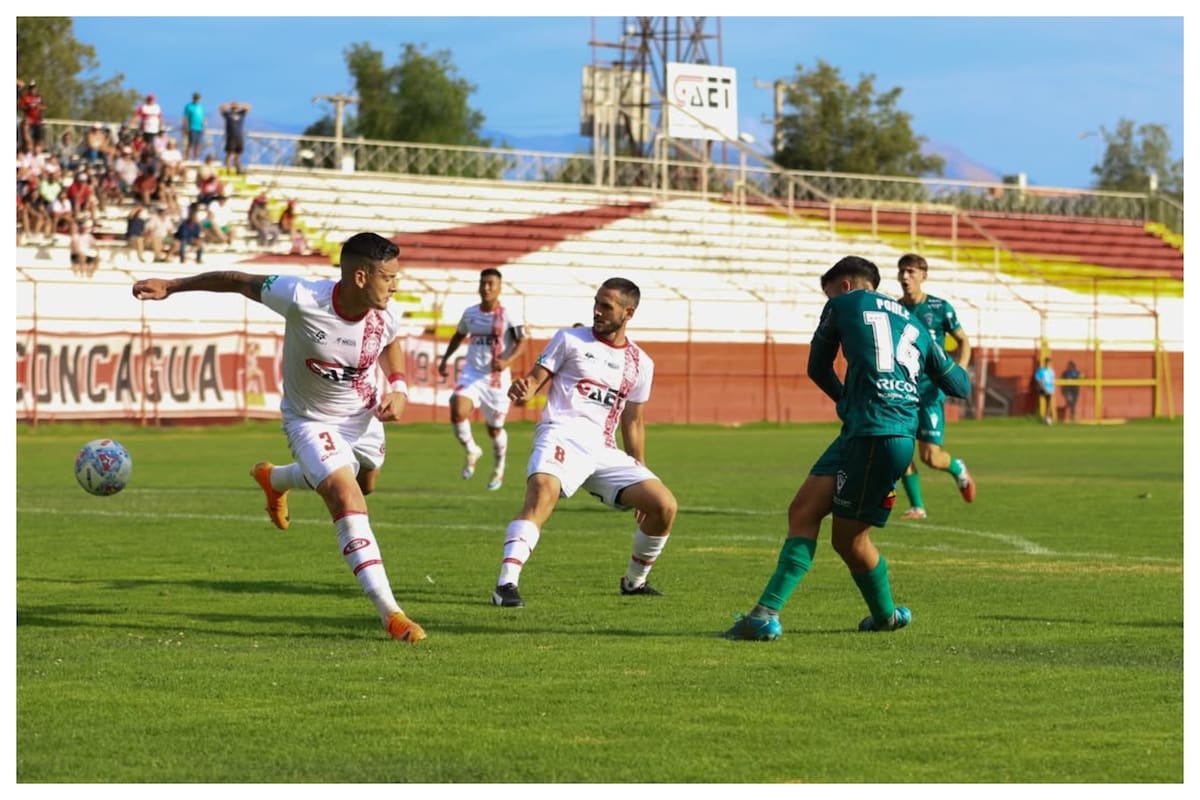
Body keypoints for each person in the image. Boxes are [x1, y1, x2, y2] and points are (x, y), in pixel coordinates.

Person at [130, 232, 426, 643]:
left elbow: (391, 343)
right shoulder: (301, 296)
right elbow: (238, 280)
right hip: (311, 420)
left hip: (364, 417)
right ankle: (391, 614)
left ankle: (276, 478)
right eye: (389, 277)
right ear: (360, 276)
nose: (395, 285)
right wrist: (173, 286)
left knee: (366, 483)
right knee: (346, 497)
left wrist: (398, 386)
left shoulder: (384, 311)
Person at [724, 256, 972, 642]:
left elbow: (818, 367)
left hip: (873, 433)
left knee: (850, 539)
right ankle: (774, 615)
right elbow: (960, 386)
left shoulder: (843, 303)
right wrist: (920, 372)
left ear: (845, 286)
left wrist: (843, 398)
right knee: (804, 512)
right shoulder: (916, 324)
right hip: (880, 433)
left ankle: (779, 615)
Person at [490, 277, 678, 608]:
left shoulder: (640, 363)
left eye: (607, 306)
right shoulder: (569, 339)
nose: (597, 311)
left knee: (664, 506)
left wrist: (639, 466)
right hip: (560, 434)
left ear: (628, 312)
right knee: (541, 494)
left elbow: (633, 420)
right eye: (596, 303)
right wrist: (524, 389)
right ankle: (506, 584)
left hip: (604, 450)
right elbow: (535, 381)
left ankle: (634, 583)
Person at [894, 253, 976, 520]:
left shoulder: (941, 308)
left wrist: (958, 372)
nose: (905, 277)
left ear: (923, 276)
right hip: (902, 390)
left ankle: (957, 468)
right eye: (902, 272)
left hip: (931, 392)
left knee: (931, 456)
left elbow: (963, 340)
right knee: (901, 449)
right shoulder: (894, 310)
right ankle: (918, 506)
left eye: (911, 272)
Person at [436, 268, 529, 491]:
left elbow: (522, 341)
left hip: (496, 380)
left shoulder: (508, 315)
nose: (486, 288)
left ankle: (499, 466)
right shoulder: (470, 313)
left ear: (499, 287)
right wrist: (445, 359)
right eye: (483, 283)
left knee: (494, 429)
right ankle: (472, 449)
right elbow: (458, 336)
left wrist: (507, 362)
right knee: (457, 407)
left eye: (490, 284)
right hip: (472, 374)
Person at [220, 101, 251, 174]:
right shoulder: (228, 114)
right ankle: (228, 170)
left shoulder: (241, 113)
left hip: (239, 137)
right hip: (231, 137)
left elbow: (249, 107)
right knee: (229, 154)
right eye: (234, 108)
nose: (235, 109)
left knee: (238, 155)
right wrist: (230, 105)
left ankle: (238, 170)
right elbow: (221, 108)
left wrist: (239, 106)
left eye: (235, 107)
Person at [181, 92, 205, 161]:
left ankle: (196, 158)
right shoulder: (189, 106)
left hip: (199, 128)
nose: (197, 99)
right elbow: (186, 118)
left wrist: (203, 127)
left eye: (198, 98)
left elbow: (202, 118)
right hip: (192, 127)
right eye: (195, 98)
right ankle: (187, 158)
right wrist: (186, 127)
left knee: (198, 144)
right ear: (193, 98)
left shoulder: (201, 107)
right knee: (190, 144)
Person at [1035, 357, 1056, 425]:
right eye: (1047, 362)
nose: (1048, 364)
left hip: (1049, 388)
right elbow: (1038, 379)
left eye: (1049, 362)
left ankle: (1046, 417)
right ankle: (1046, 417)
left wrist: (1053, 389)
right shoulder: (1041, 370)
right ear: (1045, 363)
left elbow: (1052, 381)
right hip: (1043, 388)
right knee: (1046, 400)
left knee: (1049, 402)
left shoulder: (1051, 371)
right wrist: (1043, 387)